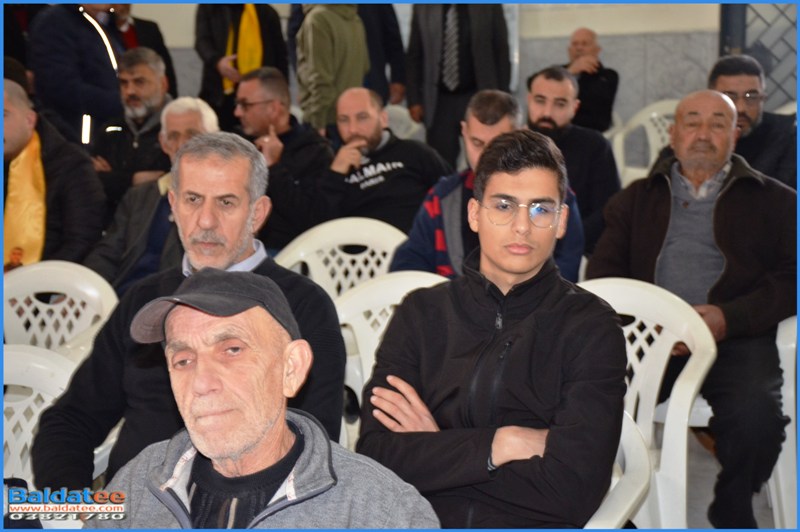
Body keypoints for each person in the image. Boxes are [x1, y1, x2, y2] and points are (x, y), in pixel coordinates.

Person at [32, 132, 347, 492]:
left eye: (226, 202)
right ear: (173, 204)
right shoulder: (144, 299)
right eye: (193, 199)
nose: (206, 221)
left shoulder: (304, 305)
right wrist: (72, 508)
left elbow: (313, 446)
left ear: (257, 213)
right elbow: (72, 420)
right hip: (129, 506)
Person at [357, 129, 627, 528]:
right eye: (504, 206)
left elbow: (573, 491)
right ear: (474, 214)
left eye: (541, 209)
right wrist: (502, 444)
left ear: (562, 221)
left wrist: (436, 448)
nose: (522, 226)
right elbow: (375, 457)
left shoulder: (592, 327)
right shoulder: (421, 313)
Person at [85, 268, 439, 529]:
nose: (201, 383)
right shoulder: (139, 482)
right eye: (183, 360)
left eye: (232, 350)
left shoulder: (380, 512)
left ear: (291, 368)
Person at [587, 90, 796, 528]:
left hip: (734, 336)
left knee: (758, 419)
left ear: (734, 135)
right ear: (674, 134)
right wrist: (651, 323)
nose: (704, 133)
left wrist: (729, 318)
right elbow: (605, 274)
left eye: (718, 124)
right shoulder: (634, 200)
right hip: (649, 340)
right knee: (587, 408)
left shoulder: (776, 201)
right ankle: (616, 513)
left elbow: (790, 278)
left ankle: (732, 506)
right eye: (693, 122)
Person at [390, 89, 585, 281]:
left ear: (521, 134)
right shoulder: (442, 197)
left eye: (497, 144)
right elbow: (407, 267)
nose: (485, 155)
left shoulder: (553, 198)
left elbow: (566, 271)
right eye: (477, 143)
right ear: (464, 131)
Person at [83, 97, 219, 295]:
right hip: (123, 298)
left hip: (181, 300)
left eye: (192, 135)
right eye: (173, 136)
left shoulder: (225, 200)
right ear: (163, 143)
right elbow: (107, 254)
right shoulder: (139, 196)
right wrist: (81, 288)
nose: (182, 144)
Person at [321, 87, 451, 233]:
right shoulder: (333, 168)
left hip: (416, 240)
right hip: (361, 244)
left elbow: (455, 195)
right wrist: (335, 176)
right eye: (343, 120)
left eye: (362, 117)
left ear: (383, 119)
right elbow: (318, 228)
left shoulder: (414, 152)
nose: (352, 129)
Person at [3, 80, 105, 265]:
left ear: (29, 120)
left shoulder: (71, 165)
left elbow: (83, 240)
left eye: (4, 115)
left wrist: (37, 278)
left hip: (50, 275)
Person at [234, 66, 333, 250]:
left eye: (245, 105)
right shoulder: (239, 145)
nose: (237, 112)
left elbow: (312, 218)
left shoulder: (315, 152)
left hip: (290, 252)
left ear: (273, 108)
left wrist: (274, 168)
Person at [527, 66, 620, 254]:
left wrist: (561, 239)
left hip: (575, 249)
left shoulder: (594, 146)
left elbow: (606, 210)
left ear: (574, 108)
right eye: (540, 101)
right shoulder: (511, 144)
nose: (547, 113)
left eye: (560, 104)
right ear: (529, 100)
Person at [406, 4, 510, 168]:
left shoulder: (489, 6)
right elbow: (414, 54)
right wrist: (414, 99)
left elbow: (501, 51)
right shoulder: (423, 6)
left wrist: (503, 100)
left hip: (478, 97)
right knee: (440, 164)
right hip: (439, 101)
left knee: (485, 161)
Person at [92, 47, 172, 223]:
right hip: (113, 226)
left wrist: (113, 178)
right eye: (124, 83)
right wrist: (134, 179)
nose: (130, 91)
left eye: (139, 82)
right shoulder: (109, 130)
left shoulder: (180, 129)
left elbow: (173, 183)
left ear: (163, 84)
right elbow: (93, 183)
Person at [28, 4, 122, 145]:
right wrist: (120, 103)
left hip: (104, 135)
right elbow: (60, 87)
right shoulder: (55, 22)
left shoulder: (103, 22)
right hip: (75, 139)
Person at [195, 4, 288, 132]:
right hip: (219, 94)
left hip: (257, 96)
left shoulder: (266, 12)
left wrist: (283, 96)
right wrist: (217, 62)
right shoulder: (210, 7)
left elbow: (280, 57)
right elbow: (202, 41)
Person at [709, 54, 796, 189]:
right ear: (710, 98)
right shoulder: (694, 136)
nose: (741, 108)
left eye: (751, 97)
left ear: (763, 98)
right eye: (729, 97)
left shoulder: (786, 138)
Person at [296, 4, 369, 138]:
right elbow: (364, 67)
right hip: (349, 118)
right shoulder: (355, 18)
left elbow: (320, 78)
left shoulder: (318, 19)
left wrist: (317, 122)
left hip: (324, 120)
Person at [107, 4, 178, 98]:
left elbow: (166, 68)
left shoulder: (149, 29)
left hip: (150, 96)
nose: (121, 5)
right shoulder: (102, 31)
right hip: (119, 95)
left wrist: (171, 98)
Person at [564, 27, 619, 132]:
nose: (579, 48)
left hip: (591, 132)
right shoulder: (559, 71)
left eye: (584, 44)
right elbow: (533, 83)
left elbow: (595, 109)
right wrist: (569, 72)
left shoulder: (608, 76)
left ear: (597, 50)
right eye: (575, 44)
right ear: (569, 50)